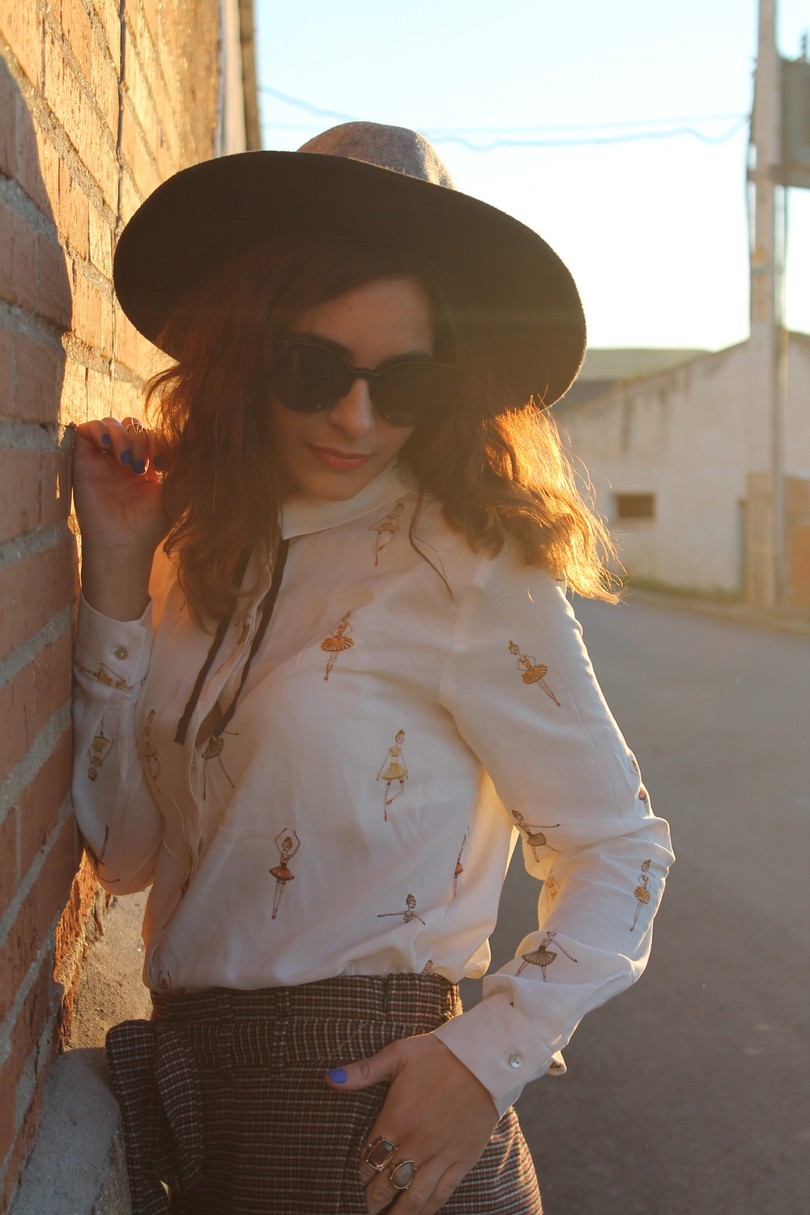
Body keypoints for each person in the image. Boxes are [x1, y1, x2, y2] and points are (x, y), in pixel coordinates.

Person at [70, 122, 674, 1215]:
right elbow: (123, 856)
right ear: (246, 351)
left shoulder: (465, 565)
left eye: (402, 384)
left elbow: (620, 849)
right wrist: (115, 573)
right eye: (314, 369)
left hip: (373, 1122)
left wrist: (488, 1057)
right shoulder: (194, 556)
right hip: (202, 1104)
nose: (356, 419)